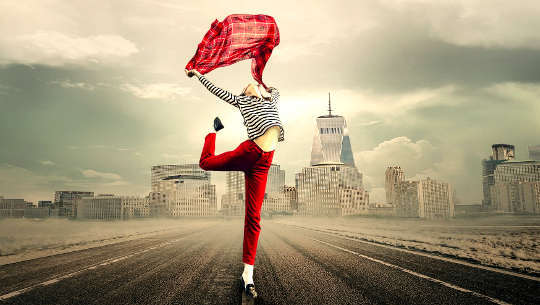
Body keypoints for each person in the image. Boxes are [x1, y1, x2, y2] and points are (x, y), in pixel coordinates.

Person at [185, 68, 284, 298]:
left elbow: (276, 90)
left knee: (254, 217)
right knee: (206, 164)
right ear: (245, 93)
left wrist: (264, 83)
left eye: (254, 84)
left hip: (264, 162)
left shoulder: (271, 100)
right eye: (249, 85)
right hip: (248, 152)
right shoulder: (242, 101)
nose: (252, 84)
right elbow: (216, 90)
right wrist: (198, 75)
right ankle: (212, 133)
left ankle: (247, 275)